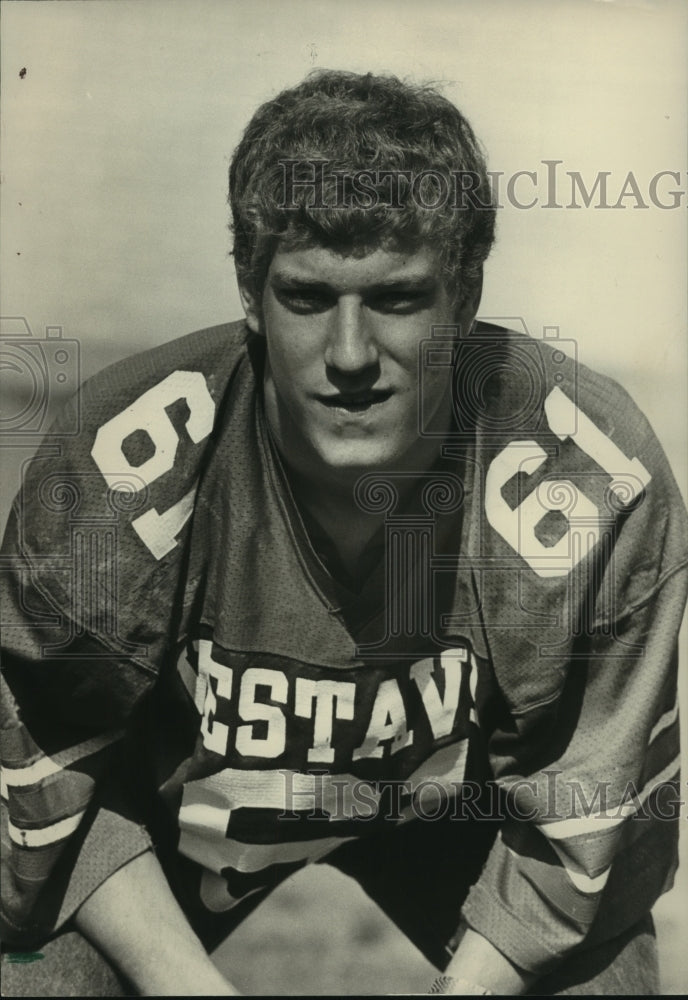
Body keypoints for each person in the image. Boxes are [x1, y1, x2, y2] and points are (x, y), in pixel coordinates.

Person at [1, 69, 686, 997]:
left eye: (398, 299)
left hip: (464, 818)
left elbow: (582, 824)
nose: (352, 355)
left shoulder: (590, 481)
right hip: (191, 802)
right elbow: (48, 778)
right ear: (249, 289)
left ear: (467, 293)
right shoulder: (115, 470)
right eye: (308, 297)